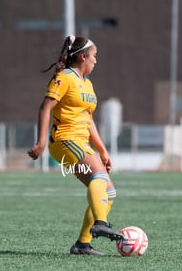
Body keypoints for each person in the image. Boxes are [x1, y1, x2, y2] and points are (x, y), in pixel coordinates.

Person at [28, 35, 125, 256]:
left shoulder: (87, 84)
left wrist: (102, 150)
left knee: (108, 192)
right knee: (98, 177)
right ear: (82, 56)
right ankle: (101, 222)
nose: (96, 61)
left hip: (81, 142)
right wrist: (41, 143)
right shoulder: (65, 78)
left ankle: (83, 244)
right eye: (94, 56)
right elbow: (45, 108)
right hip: (64, 140)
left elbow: (88, 119)